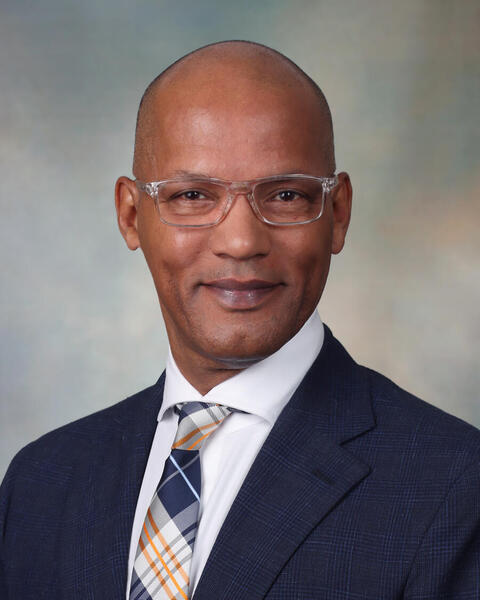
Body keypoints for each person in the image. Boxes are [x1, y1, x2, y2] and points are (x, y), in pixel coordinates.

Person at [1, 41, 479, 600]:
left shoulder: (454, 487)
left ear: (338, 214)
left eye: (285, 195)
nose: (241, 241)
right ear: (131, 216)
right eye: (193, 195)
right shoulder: (41, 483)